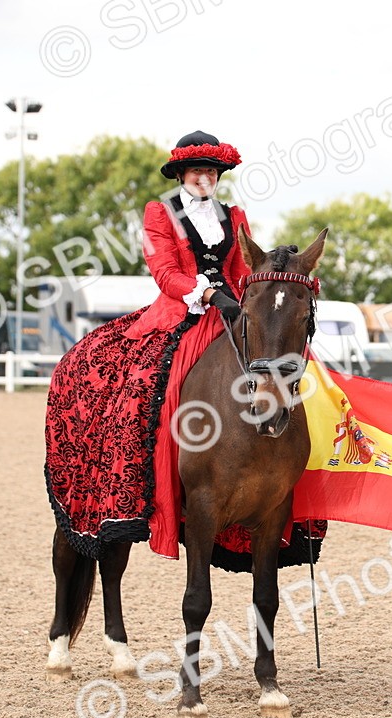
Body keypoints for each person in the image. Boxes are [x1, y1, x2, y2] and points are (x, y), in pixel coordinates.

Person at [44, 130, 324, 570]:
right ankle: (139, 483)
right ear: (181, 174)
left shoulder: (235, 217)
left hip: (233, 311)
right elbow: (164, 270)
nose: (204, 177)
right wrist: (210, 296)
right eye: (196, 170)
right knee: (142, 391)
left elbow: (242, 268)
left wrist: (246, 300)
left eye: (211, 171)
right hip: (178, 313)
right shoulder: (160, 213)